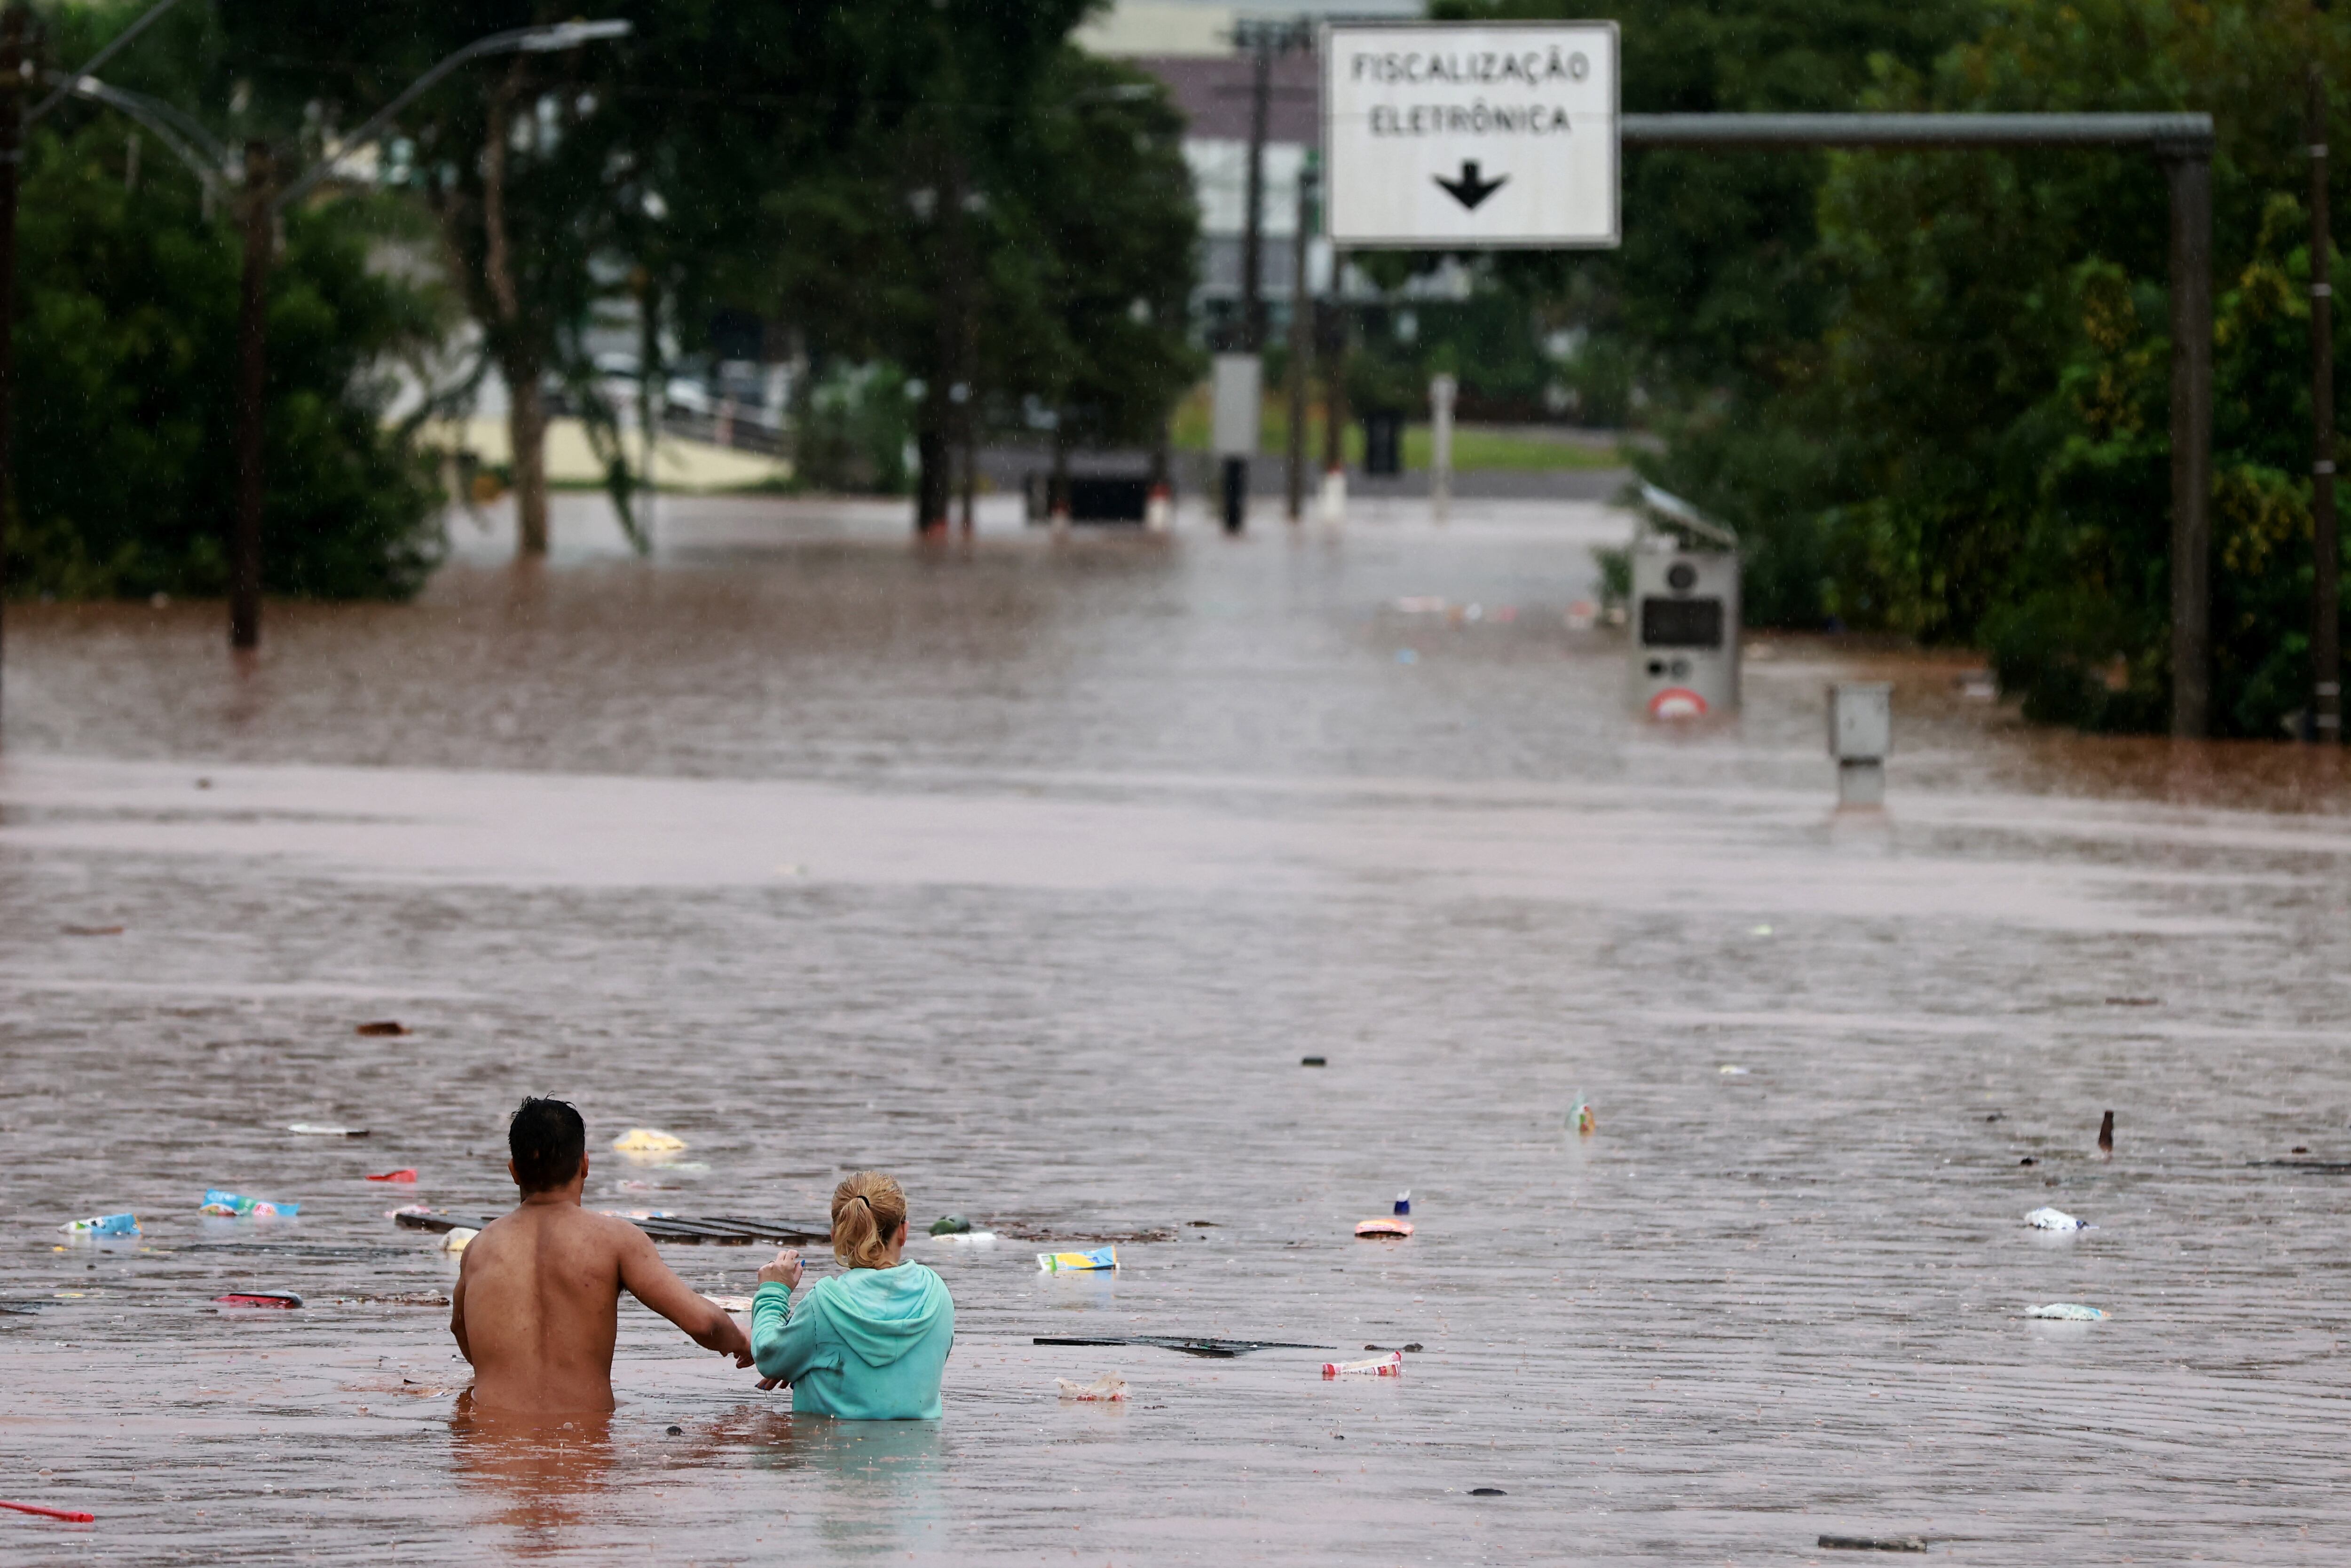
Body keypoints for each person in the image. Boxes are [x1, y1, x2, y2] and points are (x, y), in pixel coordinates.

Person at [450, 1096, 751, 1412]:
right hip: (584, 1443)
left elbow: (460, 1327)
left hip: (494, 1446)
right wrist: (744, 1340)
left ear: (514, 1170)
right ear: (584, 1165)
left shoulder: (479, 1247)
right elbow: (704, 1323)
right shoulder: (615, 1239)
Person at [750, 1171, 955, 1419]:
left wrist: (774, 1292)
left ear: (836, 1234)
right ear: (904, 1232)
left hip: (832, 1453)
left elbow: (767, 1356)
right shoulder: (937, 1294)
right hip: (921, 1454)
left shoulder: (823, 1305)